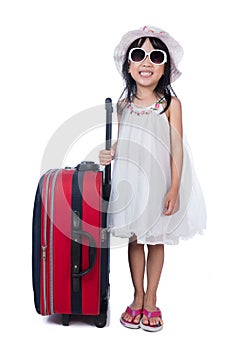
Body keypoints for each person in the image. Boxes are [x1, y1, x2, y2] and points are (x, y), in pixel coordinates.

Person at [99, 25, 206, 332]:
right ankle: (136, 296)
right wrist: (111, 153)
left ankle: (151, 299)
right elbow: (125, 141)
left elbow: (176, 148)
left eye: (155, 56)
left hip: (159, 183)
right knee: (135, 238)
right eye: (138, 55)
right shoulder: (124, 105)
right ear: (128, 66)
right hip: (132, 182)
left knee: (156, 240)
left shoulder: (171, 105)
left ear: (165, 67)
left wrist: (174, 185)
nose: (146, 62)